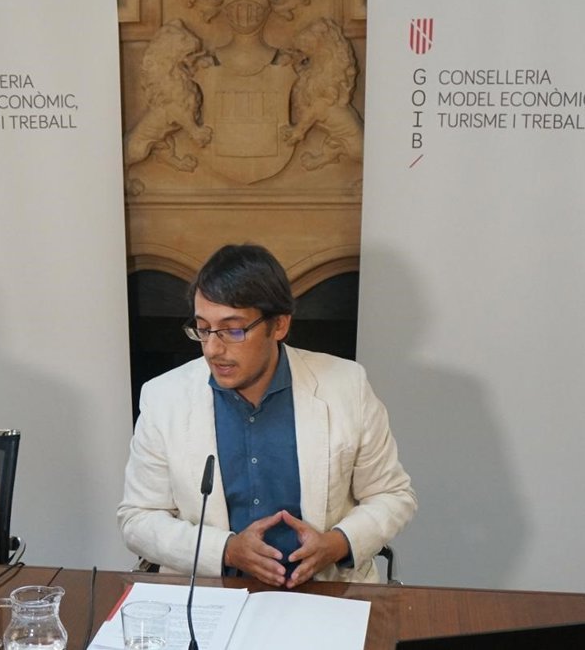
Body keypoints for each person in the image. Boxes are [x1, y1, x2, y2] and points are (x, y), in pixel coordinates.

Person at [118, 244, 416, 587]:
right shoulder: (164, 397)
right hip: (210, 591)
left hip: (325, 589)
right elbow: (137, 519)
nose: (213, 349)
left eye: (233, 330)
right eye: (203, 329)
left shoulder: (346, 386)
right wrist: (226, 550)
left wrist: (337, 544)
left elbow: (392, 495)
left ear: (279, 325)